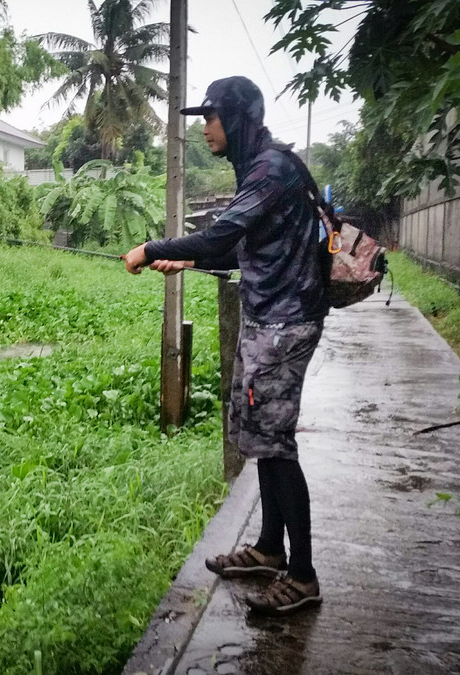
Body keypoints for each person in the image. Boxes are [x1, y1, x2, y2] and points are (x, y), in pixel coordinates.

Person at [122, 75, 327, 616]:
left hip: (286, 323)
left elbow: (219, 235)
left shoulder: (271, 168)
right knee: (258, 435)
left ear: (236, 119)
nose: (204, 128)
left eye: (210, 118)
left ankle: (302, 575)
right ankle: (267, 548)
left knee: (276, 444)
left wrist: (151, 247)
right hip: (267, 318)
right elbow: (244, 250)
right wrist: (191, 259)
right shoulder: (257, 169)